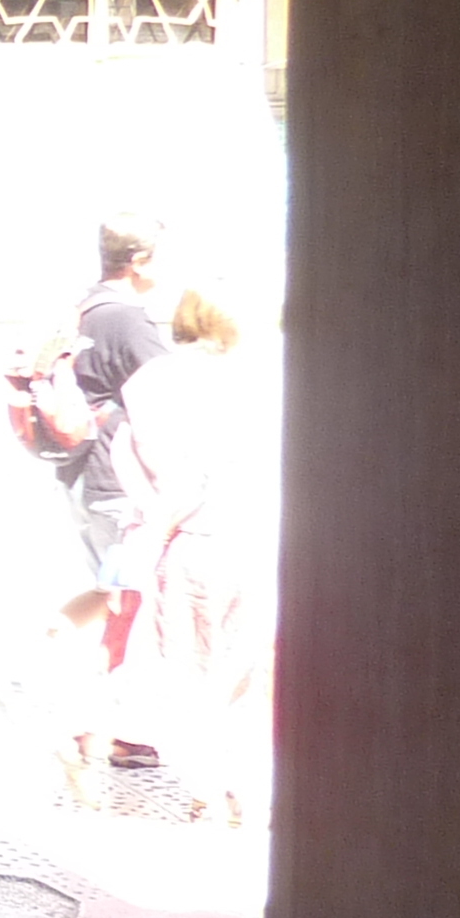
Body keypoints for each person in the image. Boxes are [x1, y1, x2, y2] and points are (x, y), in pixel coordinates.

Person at [122, 289, 280, 825]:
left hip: (192, 540)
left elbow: (165, 473)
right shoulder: (258, 377)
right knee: (245, 672)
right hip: (256, 538)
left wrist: (151, 535)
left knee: (191, 671)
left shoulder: (152, 383)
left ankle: (207, 789)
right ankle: (245, 787)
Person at [49, 213, 174, 793]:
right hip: (117, 484)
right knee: (126, 606)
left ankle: (101, 720)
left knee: (114, 597)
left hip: (86, 477)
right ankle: (95, 733)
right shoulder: (128, 319)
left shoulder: (89, 309)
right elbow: (174, 395)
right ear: (140, 261)